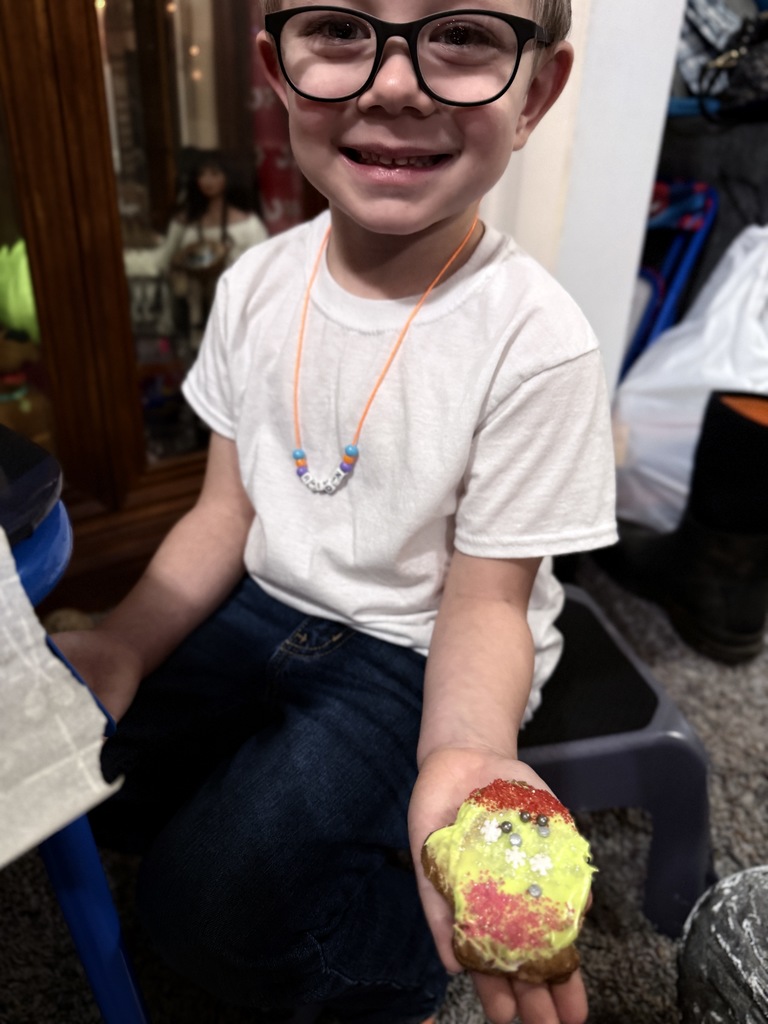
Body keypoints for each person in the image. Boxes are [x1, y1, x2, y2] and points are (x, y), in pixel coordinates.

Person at [54, 3, 618, 1023]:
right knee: (74, 781)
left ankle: (398, 954)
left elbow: (488, 601)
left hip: (416, 645)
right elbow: (224, 511)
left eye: (464, 37)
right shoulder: (254, 284)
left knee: (202, 907)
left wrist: (466, 749)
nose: (394, 83)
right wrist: (124, 644)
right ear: (276, 68)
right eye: (342, 30)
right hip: (263, 604)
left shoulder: (539, 343)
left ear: (536, 91)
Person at [155, 149, 269, 336]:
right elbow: (163, 261)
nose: (207, 180)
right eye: (202, 174)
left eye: (214, 174)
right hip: (194, 310)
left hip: (236, 312)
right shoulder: (184, 223)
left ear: (228, 178)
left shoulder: (248, 224)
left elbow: (265, 268)